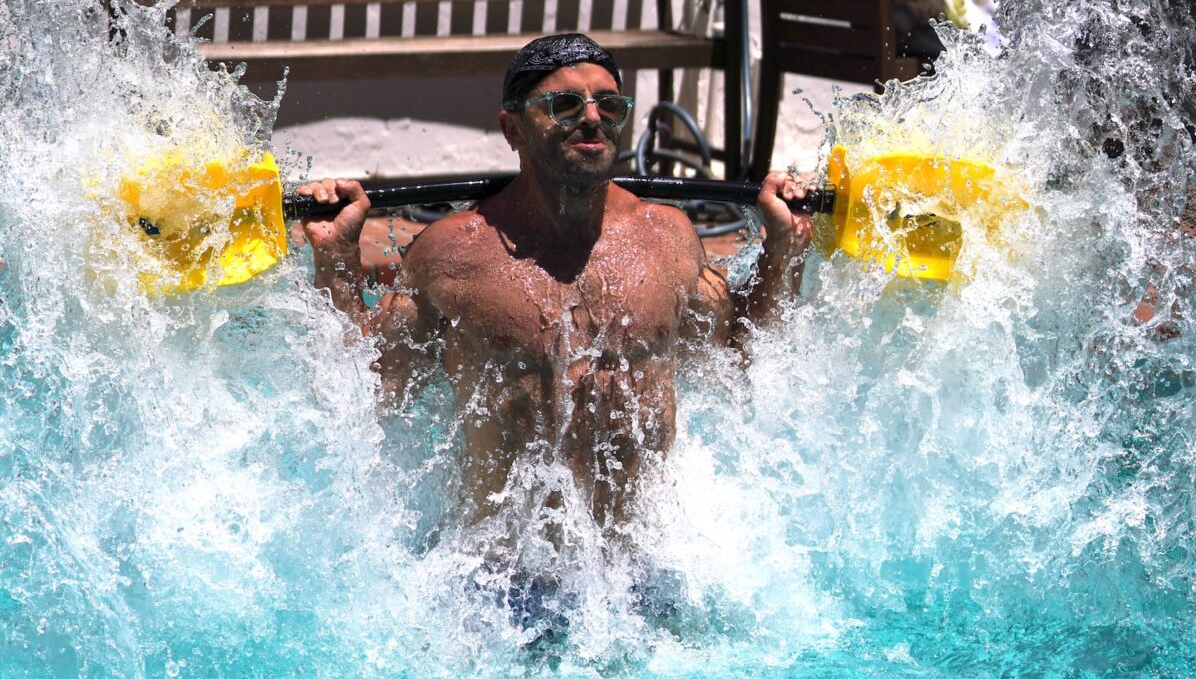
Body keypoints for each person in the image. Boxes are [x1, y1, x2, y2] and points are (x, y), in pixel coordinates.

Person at [299, 33, 814, 533]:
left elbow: (742, 358)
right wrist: (337, 258)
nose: (592, 117)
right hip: (503, 577)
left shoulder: (667, 238)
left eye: (610, 106)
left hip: (640, 568)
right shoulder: (452, 253)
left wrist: (781, 251)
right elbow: (370, 385)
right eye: (565, 104)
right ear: (513, 129)